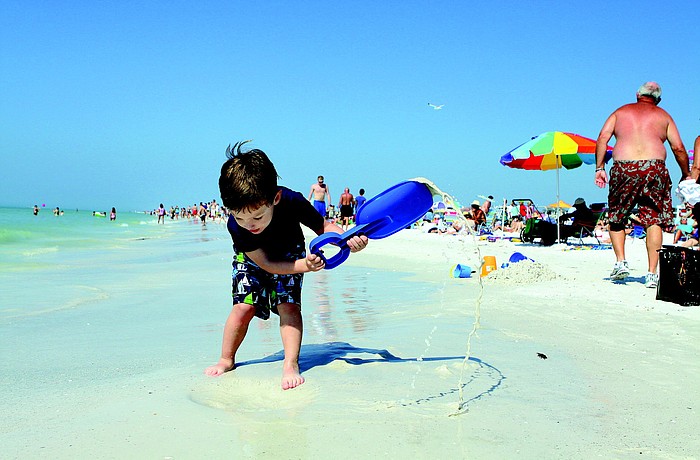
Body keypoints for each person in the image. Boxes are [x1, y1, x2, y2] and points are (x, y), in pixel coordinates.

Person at [205, 141, 368, 390]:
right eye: (240, 216)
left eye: (258, 216)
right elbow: (268, 264)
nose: (250, 224)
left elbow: (323, 227)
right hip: (253, 257)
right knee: (242, 308)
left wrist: (348, 238)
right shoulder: (237, 226)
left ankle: (290, 364)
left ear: (276, 198)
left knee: (288, 306)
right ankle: (226, 359)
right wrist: (304, 265)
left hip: (290, 251)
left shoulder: (292, 200)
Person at [595, 81, 691, 288]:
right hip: (654, 169)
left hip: (623, 168)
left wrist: (599, 167)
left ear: (637, 94)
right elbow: (679, 148)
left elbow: (602, 138)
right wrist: (686, 173)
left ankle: (621, 262)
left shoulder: (620, 112)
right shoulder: (664, 116)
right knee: (653, 218)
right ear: (659, 100)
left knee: (617, 215)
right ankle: (651, 273)